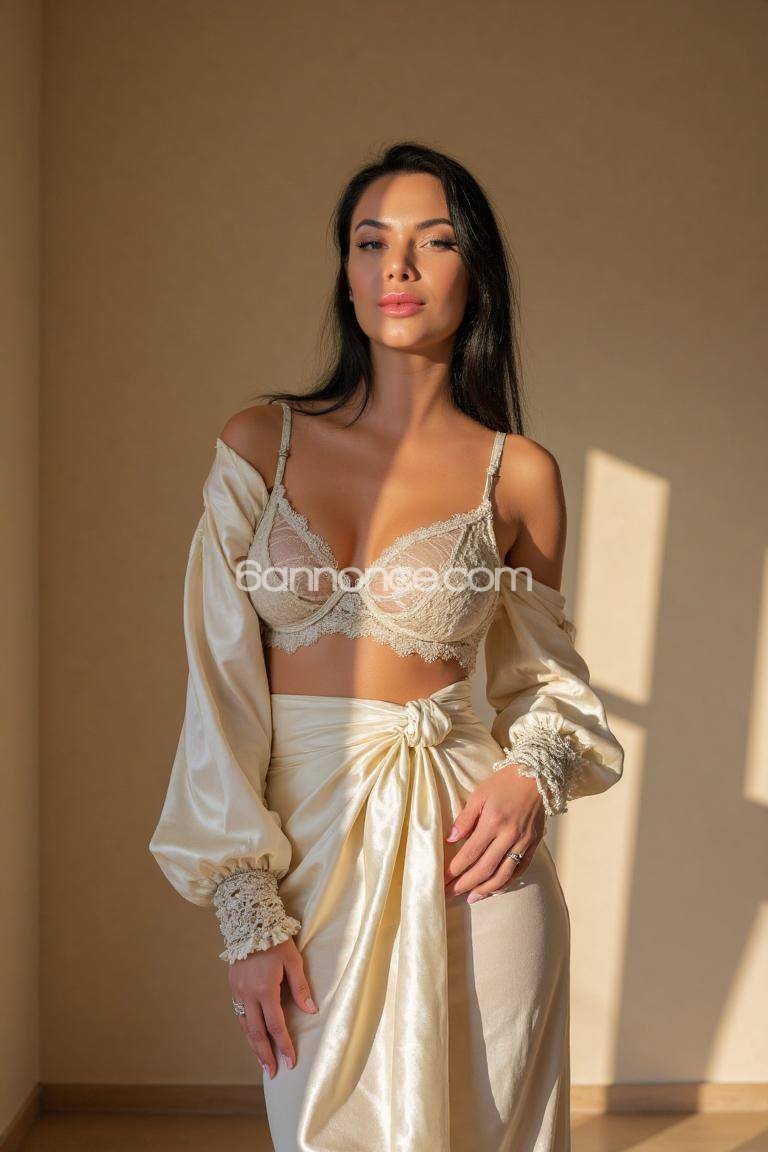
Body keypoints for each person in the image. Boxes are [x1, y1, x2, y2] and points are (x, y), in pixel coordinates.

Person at [149, 141, 624, 1152]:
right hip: (310, 864)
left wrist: (531, 776)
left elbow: (548, 681)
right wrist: (247, 913)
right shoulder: (258, 443)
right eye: (372, 242)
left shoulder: (519, 474)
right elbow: (218, 684)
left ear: (474, 270)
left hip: (474, 866)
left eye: (432, 241)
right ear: (347, 270)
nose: (397, 267)